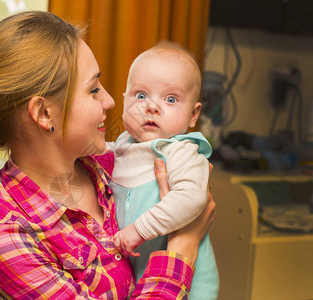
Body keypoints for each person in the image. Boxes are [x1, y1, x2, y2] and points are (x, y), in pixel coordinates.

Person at [0, 11, 216, 299]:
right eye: (93, 90)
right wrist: (183, 247)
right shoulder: (3, 234)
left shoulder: (110, 165)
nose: (110, 101)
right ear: (44, 113)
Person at [110, 42, 219, 299]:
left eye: (170, 99)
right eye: (140, 95)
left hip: (186, 282)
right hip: (139, 277)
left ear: (193, 115)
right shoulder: (121, 146)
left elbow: (192, 197)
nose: (152, 107)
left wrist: (139, 230)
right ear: (124, 101)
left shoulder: (180, 151)